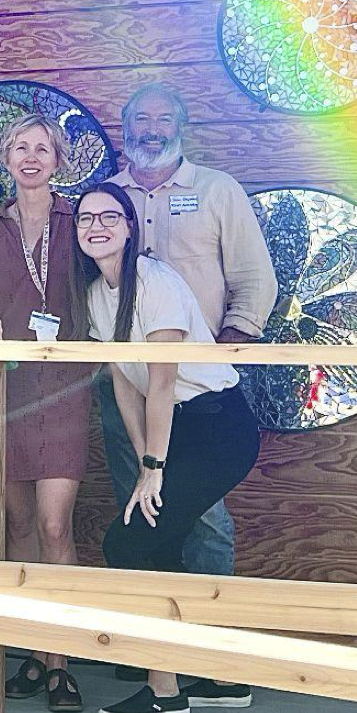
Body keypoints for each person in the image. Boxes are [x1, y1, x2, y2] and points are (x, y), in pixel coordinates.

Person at [72, 181, 262, 713]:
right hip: (173, 431)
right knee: (160, 543)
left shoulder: (155, 282)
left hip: (215, 427)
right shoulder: (97, 294)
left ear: (130, 227)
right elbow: (124, 384)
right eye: (86, 218)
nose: (97, 226)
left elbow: (160, 383)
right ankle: (220, 676)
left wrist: (154, 470)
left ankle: (165, 691)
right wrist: (143, 463)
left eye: (109, 216)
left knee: (129, 542)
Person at [100, 82, 276, 578]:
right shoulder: (109, 198)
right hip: (131, 386)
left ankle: (209, 622)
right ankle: (150, 621)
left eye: (163, 119)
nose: (152, 131)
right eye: (141, 119)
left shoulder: (218, 190)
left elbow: (256, 280)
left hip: (197, 394)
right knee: (139, 507)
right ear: (125, 127)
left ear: (181, 126)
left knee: (204, 516)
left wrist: (220, 353)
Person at [0, 113, 91, 713]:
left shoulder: (79, 219)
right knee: (16, 526)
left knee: (55, 526)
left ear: (58, 159)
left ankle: (60, 659)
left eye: (42, 148)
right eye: (20, 147)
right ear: (6, 158)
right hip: (6, 389)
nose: (31, 157)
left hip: (63, 388)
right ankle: (31, 653)